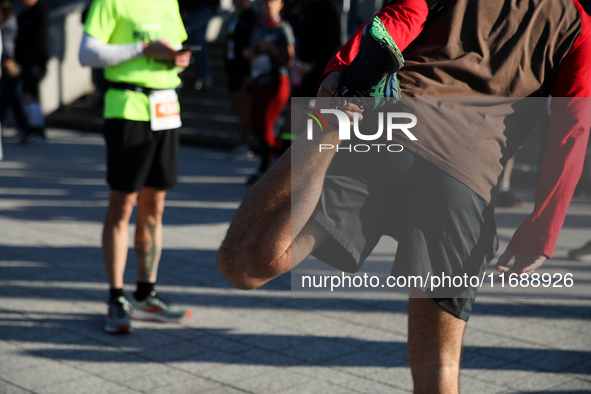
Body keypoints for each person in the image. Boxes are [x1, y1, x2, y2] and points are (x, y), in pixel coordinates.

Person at [218, 0, 591, 392]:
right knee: (439, 370)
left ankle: (331, 122)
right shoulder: (577, 22)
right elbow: (573, 127)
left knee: (245, 262)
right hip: (465, 176)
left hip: (391, 129)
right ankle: (337, 113)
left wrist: (341, 73)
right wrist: (542, 230)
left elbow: (398, 20)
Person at [79, 0, 193, 334]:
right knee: (123, 204)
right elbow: (87, 55)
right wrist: (143, 47)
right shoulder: (110, 2)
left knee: (155, 205)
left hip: (167, 107)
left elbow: (175, 50)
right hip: (127, 108)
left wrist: (180, 59)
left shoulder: (169, 3)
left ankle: (146, 293)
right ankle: (116, 298)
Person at [243, 0, 294, 184]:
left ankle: (266, 168)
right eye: (265, 3)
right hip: (259, 80)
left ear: (280, 5)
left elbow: (289, 60)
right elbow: (253, 51)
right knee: (255, 124)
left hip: (277, 81)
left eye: (272, 3)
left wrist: (271, 48)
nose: (268, 6)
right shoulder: (258, 27)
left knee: (265, 124)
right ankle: (277, 157)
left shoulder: (283, 28)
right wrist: (250, 54)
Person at [224, 0, 257, 161]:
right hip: (233, 69)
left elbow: (250, 46)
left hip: (243, 71)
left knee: (244, 108)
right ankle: (241, 143)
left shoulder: (251, 17)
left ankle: (245, 145)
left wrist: (248, 72)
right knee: (236, 106)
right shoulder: (235, 17)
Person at [14, 0, 48, 146]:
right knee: (28, 96)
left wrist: (28, 60)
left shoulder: (40, 12)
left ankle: (37, 130)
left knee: (31, 95)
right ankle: (33, 128)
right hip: (24, 63)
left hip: (34, 63)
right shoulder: (24, 15)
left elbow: (40, 42)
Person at [179, 0, 219, 91]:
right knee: (192, 45)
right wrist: (182, 9)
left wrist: (213, 7)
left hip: (203, 10)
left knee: (199, 43)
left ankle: (204, 76)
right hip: (189, 11)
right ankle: (199, 76)